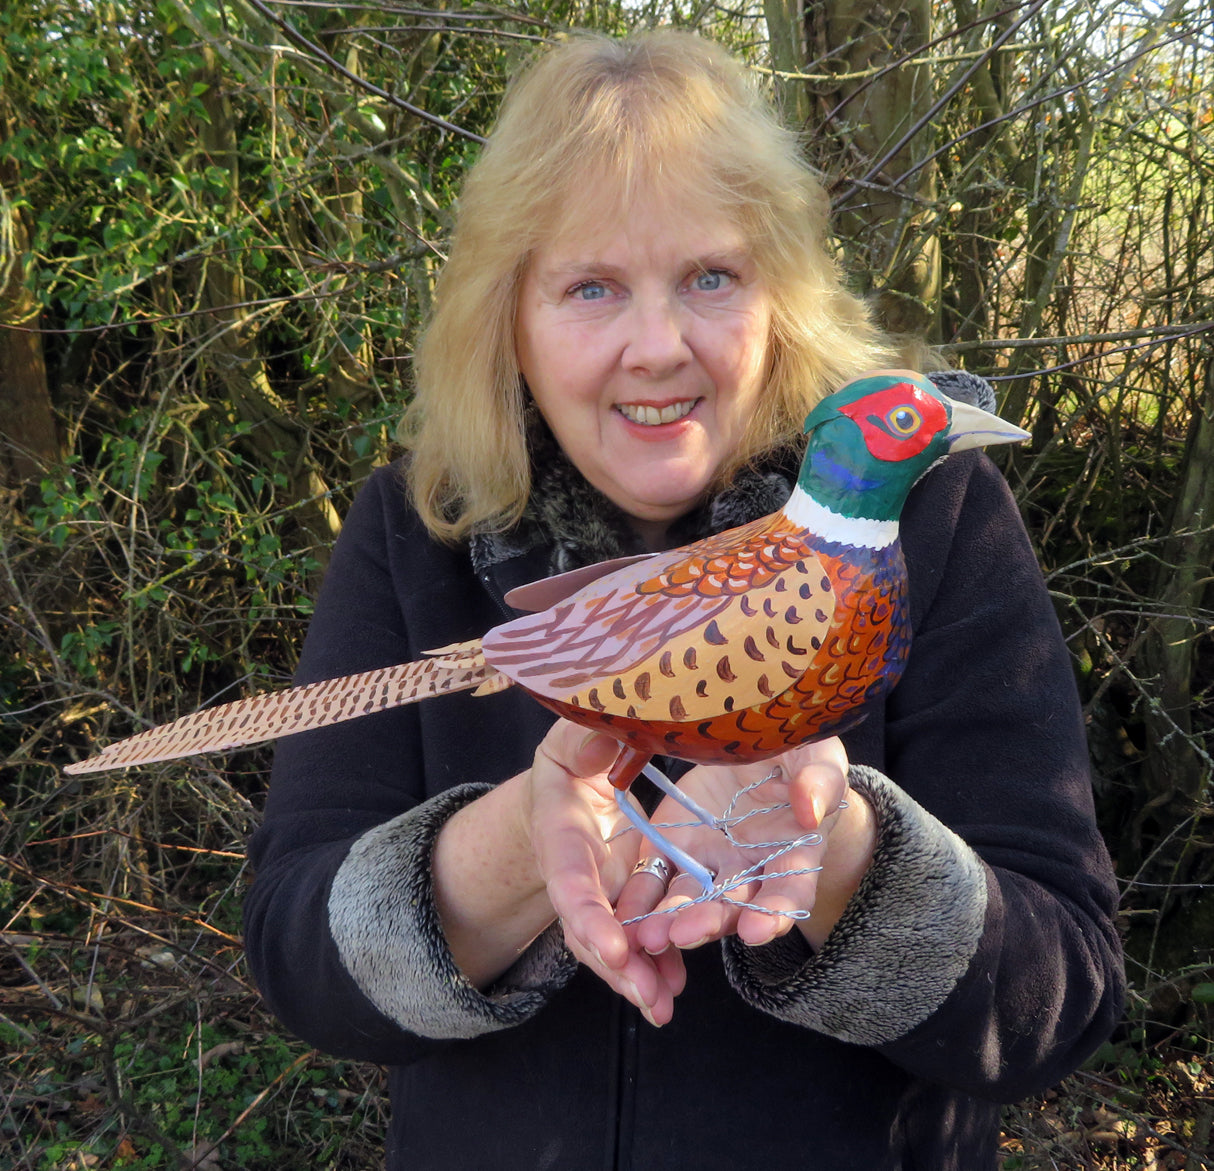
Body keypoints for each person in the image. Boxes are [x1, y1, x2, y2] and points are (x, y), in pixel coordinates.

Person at [243, 30, 1123, 1170]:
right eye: (590, 286)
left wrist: (839, 851)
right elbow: (296, 961)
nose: (656, 347)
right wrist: (516, 848)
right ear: (506, 315)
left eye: (709, 276)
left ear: (780, 295)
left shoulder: (937, 520)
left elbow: (1058, 996)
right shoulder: (417, 532)